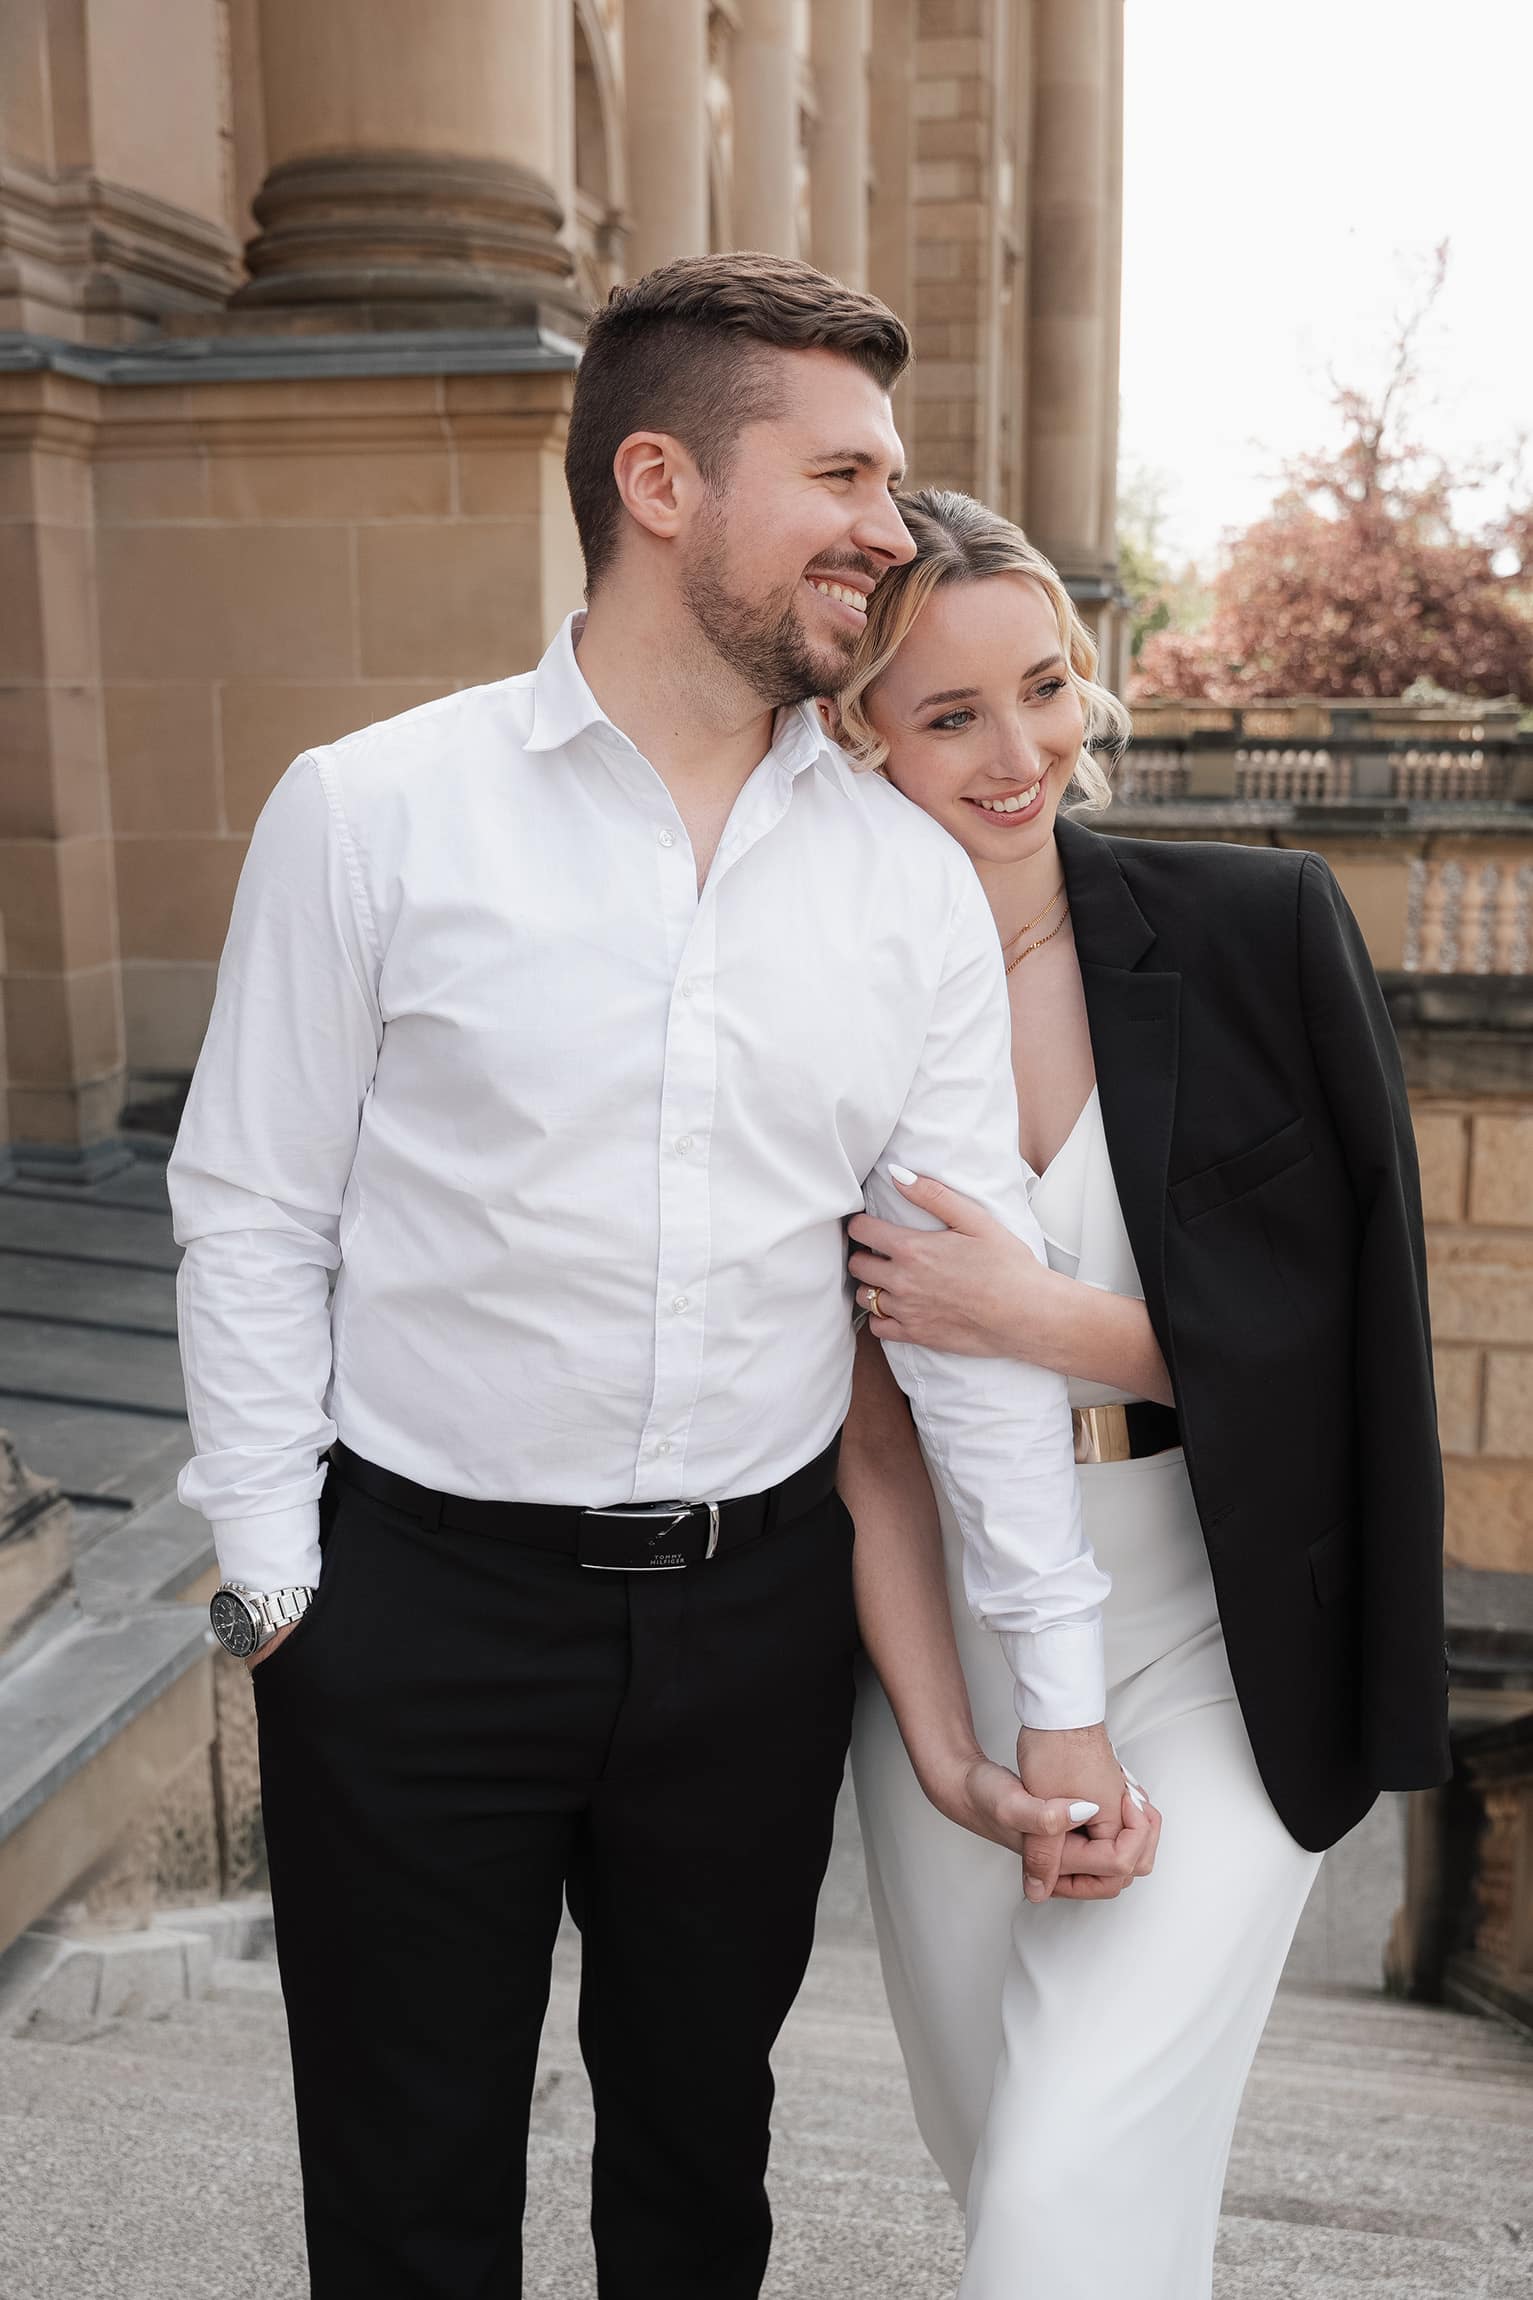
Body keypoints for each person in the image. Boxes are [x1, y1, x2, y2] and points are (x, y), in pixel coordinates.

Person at [168, 261, 1150, 2300]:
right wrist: (279, 1595)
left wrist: (1054, 1695)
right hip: (413, 1615)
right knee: (406, 2195)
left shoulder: (903, 881)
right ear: (659, 484)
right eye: (841, 476)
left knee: (700, 2182)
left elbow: (961, 1321)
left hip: (751, 1629)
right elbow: (253, 1204)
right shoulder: (373, 811)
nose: (887, 525)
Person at [832, 489, 1451, 2300]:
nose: (1019, 754)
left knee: (1061, 2178)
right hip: (943, 1639)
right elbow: (867, 1444)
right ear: (855, 733)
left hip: (1223, 1623)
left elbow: (1360, 1333)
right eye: (951, 715)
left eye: (1044, 687)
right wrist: (945, 1748)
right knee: (1012, 2161)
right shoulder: (812, 999)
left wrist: (1039, 1318)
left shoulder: (1262, 927)